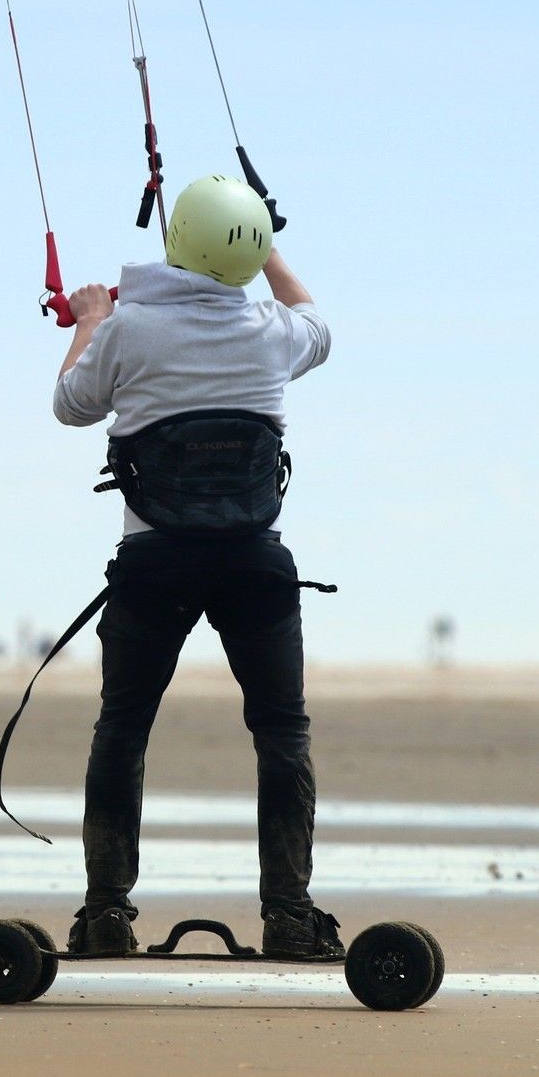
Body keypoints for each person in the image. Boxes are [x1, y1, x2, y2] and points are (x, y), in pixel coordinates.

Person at [52, 172, 342, 960]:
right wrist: (268, 245)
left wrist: (89, 320)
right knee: (281, 730)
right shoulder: (271, 332)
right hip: (255, 559)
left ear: (175, 241)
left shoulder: (128, 329)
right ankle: (288, 913)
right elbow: (316, 317)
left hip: (155, 561)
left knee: (124, 726)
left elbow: (72, 405)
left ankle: (104, 912)